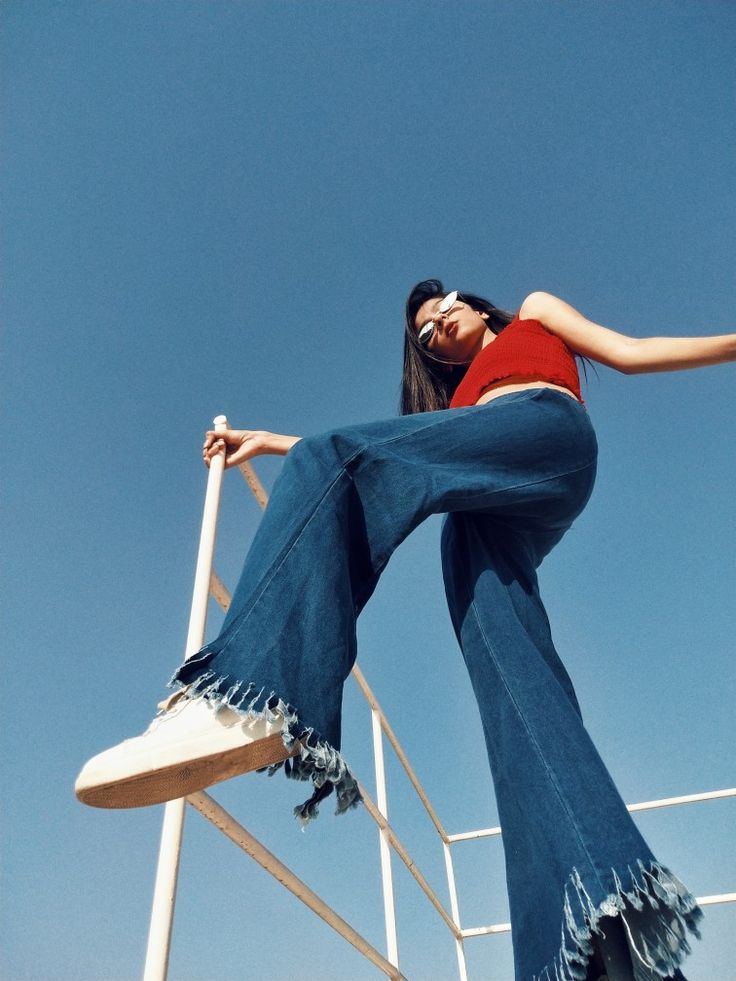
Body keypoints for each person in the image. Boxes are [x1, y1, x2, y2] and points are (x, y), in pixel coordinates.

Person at [75, 281, 735, 980]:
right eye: (424, 333)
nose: (439, 323)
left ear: (479, 307)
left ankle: (249, 694)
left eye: (445, 307)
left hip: (545, 433)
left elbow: (630, 353)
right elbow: (395, 453)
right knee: (519, 701)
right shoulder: (455, 406)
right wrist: (272, 440)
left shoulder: (534, 314)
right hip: (485, 503)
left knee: (330, 458)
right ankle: (598, 954)